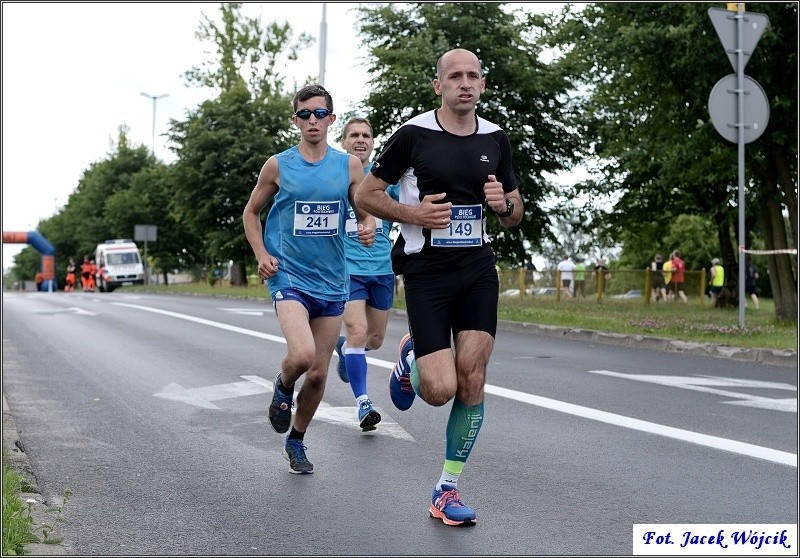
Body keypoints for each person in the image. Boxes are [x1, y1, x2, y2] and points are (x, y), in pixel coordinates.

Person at [355, 48, 523, 526]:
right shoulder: (413, 136)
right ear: (439, 86)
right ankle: (411, 356)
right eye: (455, 76)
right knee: (440, 390)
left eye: (473, 76)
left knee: (472, 377)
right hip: (426, 271)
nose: (464, 83)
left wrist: (504, 206)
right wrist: (414, 214)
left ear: (483, 85)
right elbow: (364, 193)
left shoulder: (495, 138)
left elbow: (514, 212)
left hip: (477, 268)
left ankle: (446, 489)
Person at [242, 84, 376, 474]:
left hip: (333, 280)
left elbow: (364, 207)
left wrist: (367, 224)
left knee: (318, 374)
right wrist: (261, 254)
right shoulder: (279, 165)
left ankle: (296, 440)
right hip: (289, 277)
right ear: (295, 120)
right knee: (301, 357)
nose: (312, 120)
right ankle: (283, 386)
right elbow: (251, 213)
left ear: (331, 119)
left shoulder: (349, 166)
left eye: (320, 114)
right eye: (305, 114)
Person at [334, 117, 400, 432]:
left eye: (366, 135)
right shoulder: (335, 177)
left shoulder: (385, 179)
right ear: (343, 142)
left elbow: (411, 204)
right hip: (347, 270)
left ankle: (346, 349)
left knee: (374, 339)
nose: (360, 140)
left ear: (372, 142)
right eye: (354, 135)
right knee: (359, 332)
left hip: (382, 270)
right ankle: (363, 403)